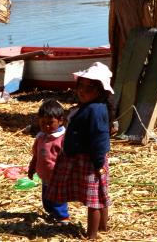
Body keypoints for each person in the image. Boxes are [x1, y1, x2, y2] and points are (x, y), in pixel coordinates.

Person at [46, 62, 114, 239]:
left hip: (91, 160)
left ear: (100, 91)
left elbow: (100, 139)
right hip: (83, 158)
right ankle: (103, 227)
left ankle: (92, 235)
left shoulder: (96, 110)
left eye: (89, 87)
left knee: (94, 200)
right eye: (80, 86)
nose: (82, 90)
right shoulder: (87, 107)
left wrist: (99, 163)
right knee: (99, 195)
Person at [27, 99, 70, 225]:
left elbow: (68, 157)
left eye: (50, 123)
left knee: (58, 198)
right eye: (42, 123)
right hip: (45, 176)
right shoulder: (40, 137)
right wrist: (32, 167)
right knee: (46, 198)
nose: (46, 126)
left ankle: (63, 218)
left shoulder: (62, 138)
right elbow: (36, 155)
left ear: (61, 121)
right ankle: (52, 213)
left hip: (58, 176)